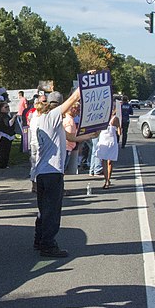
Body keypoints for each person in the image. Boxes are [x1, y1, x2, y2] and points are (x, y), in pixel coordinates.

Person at [32, 90, 94, 258]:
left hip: (42, 172)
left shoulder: (43, 120)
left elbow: (70, 137)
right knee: (52, 210)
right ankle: (48, 245)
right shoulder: (53, 116)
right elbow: (73, 98)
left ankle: (40, 239)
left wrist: (89, 135)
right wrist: (84, 85)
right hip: (52, 171)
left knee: (43, 209)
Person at [95, 108, 121, 189]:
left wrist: (119, 129)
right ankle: (106, 179)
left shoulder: (115, 118)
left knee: (109, 162)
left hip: (110, 141)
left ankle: (108, 179)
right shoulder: (101, 118)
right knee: (104, 161)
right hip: (103, 141)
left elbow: (119, 131)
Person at [0, 100, 16, 169]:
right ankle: (1, 164)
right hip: (3, 135)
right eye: (6, 107)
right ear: (1, 108)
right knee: (2, 150)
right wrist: (13, 118)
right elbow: (8, 124)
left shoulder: (6, 115)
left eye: (8, 107)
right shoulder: (2, 116)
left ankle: (3, 163)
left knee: (5, 150)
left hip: (7, 135)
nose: (8, 108)